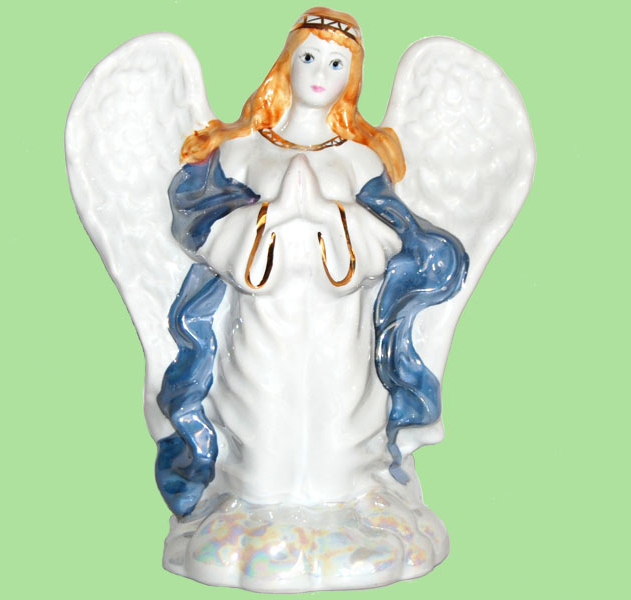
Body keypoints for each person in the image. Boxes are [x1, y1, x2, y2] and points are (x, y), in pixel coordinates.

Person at [155, 7, 468, 518]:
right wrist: (273, 214)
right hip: (262, 325)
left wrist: (326, 214)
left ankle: (346, 502)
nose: (321, 73)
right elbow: (201, 228)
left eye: (336, 64)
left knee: (336, 453)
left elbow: (395, 237)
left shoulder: (361, 158)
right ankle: (250, 505)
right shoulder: (241, 151)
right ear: (288, 61)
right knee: (262, 454)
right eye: (309, 57)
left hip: (337, 327)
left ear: (352, 77)